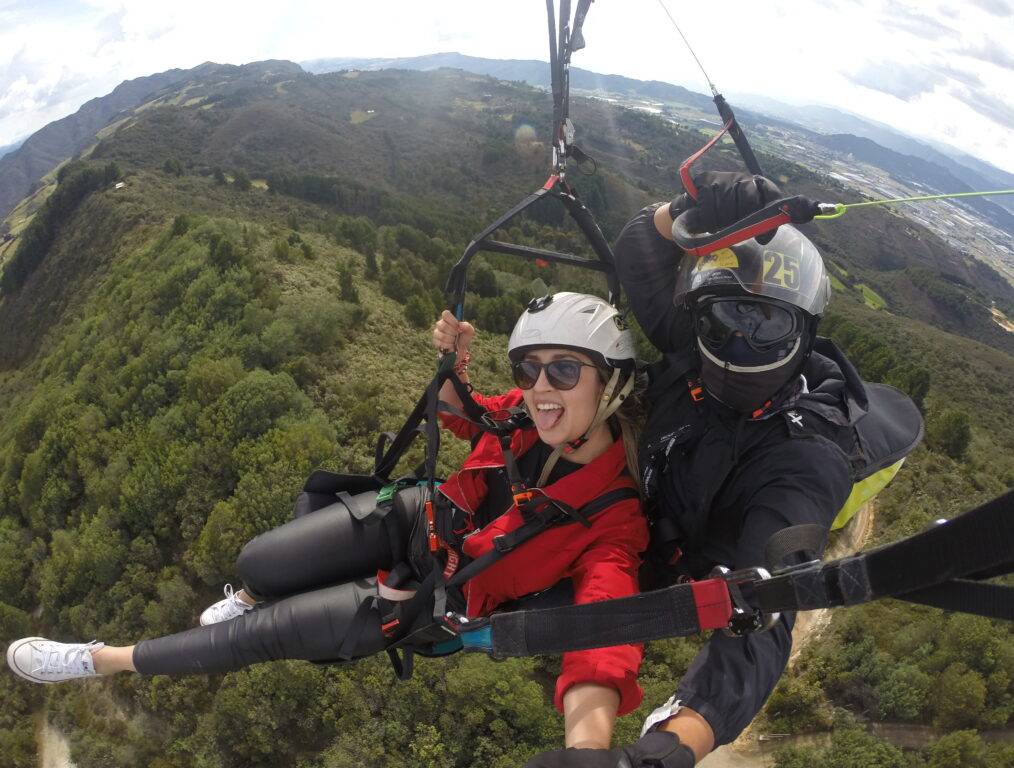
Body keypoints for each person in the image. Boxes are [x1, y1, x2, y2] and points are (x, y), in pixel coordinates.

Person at [7, 291, 649, 750]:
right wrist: (454, 364)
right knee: (257, 562)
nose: (541, 389)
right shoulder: (526, 415)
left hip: (432, 596)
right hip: (420, 515)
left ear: (612, 382)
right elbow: (458, 411)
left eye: (564, 370)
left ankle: (97, 661)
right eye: (530, 368)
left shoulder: (611, 519)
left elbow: (603, 635)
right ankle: (252, 594)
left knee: (258, 638)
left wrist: (587, 746)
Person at [522, 172, 870, 767]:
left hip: (661, 560)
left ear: (806, 332)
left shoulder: (805, 458)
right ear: (699, 315)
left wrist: (666, 748)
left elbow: (770, 607)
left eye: (767, 326)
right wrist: (686, 207)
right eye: (724, 321)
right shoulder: (693, 345)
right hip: (614, 503)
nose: (739, 340)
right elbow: (639, 245)